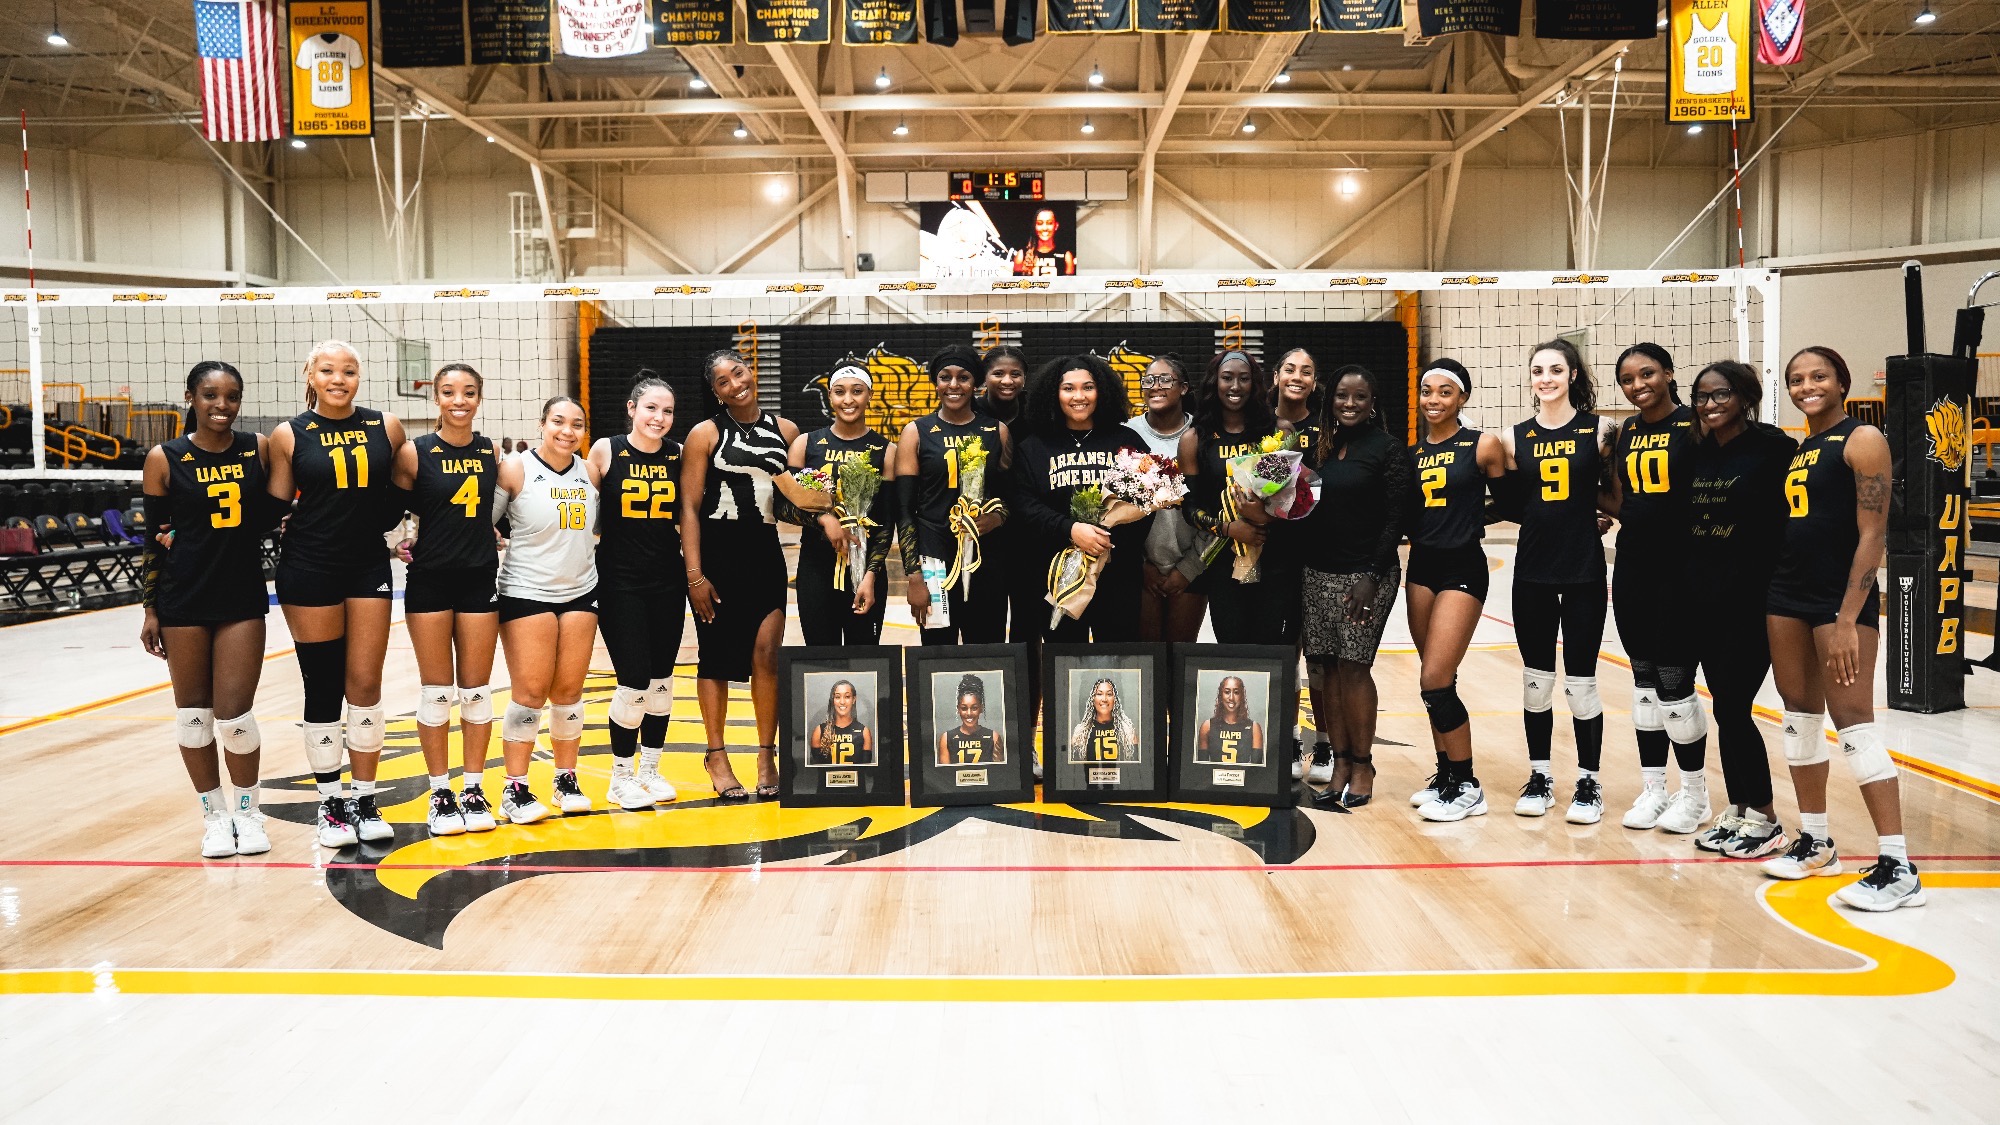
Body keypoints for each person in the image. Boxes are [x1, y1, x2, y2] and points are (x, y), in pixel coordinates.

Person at [1761, 346, 1921, 910]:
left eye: (1819, 376)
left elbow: (1872, 534)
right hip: (1786, 594)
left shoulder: (1863, 439)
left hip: (1838, 600)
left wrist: (1850, 617)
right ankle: (1816, 842)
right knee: (1799, 717)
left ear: (1842, 382)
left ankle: (1898, 864)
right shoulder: (1799, 448)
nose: (1808, 385)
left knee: (1854, 723)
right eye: (1797, 379)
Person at [265, 340, 407, 849]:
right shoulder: (288, 434)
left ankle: (365, 799)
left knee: (365, 683)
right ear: (310, 374)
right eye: (328, 370)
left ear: (359, 378)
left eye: (348, 371)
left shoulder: (386, 426)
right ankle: (330, 804)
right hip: (309, 566)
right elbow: (274, 507)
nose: (338, 378)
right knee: (322, 684)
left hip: (367, 562)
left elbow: (399, 496)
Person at [139, 361, 277, 857]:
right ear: (190, 397)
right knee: (193, 717)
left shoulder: (256, 448)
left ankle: (249, 813)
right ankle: (215, 817)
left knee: (234, 715)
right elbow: (154, 540)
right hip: (183, 598)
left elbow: (274, 510)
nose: (222, 405)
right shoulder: (164, 457)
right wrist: (151, 609)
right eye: (211, 395)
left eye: (232, 396)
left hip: (240, 595)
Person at [683, 349, 814, 800]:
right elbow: (689, 508)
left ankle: (765, 755)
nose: (734, 383)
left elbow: (795, 500)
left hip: (765, 553)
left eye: (738, 372)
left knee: (766, 653)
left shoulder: (787, 431)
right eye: (722, 381)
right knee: (715, 656)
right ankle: (716, 755)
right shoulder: (705, 434)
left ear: (751, 371)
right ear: (715, 393)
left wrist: (831, 506)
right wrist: (695, 575)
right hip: (717, 557)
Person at [1682, 360, 1798, 857]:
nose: (1710, 405)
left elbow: (1796, 519)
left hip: (1755, 597)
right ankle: (1738, 808)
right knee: (1724, 706)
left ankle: (1766, 817)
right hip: (1705, 596)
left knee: (1734, 704)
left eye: (1721, 395)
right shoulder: (1696, 452)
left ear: (1745, 397)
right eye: (1702, 397)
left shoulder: (1774, 449)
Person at [1500, 339, 1618, 823]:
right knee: (1535, 682)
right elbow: (1509, 503)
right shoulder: (1511, 437)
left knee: (1583, 683)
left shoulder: (1602, 429)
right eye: (1537, 371)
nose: (1545, 378)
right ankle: (1541, 776)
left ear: (1573, 375)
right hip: (1532, 570)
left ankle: (1589, 782)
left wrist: (1600, 517)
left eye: (1555, 369)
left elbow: (1615, 495)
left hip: (1585, 569)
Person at [391, 363, 502, 836]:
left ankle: (473, 790)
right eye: (450, 392)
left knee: (476, 693)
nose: (460, 400)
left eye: (469, 392)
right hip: (431, 581)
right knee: (437, 693)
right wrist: (392, 541)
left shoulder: (489, 449)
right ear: (435, 398)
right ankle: (440, 792)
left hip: (479, 579)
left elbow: (493, 507)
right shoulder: (414, 453)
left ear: (479, 398)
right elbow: (388, 511)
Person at [1300, 365, 1414, 810]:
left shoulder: (1387, 450)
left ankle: (1363, 764)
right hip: (1317, 573)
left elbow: (1395, 519)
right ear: (1330, 402)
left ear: (1373, 403)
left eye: (1359, 397)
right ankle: (1341, 763)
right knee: (1324, 668)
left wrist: (1370, 575)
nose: (1349, 404)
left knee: (1353, 667)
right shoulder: (1320, 450)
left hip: (1366, 576)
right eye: (1342, 396)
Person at [1605, 343, 1705, 834]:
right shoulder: (1627, 431)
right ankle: (1654, 789)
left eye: (1647, 374)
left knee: (1674, 679)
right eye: (1628, 379)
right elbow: (1626, 500)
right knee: (1643, 678)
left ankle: (1695, 794)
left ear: (1668, 372)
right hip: (1634, 565)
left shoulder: (1694, 425)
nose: (1638, 384)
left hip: (1681, 568)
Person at [1404, 359, 1508, 822]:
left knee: (1436, 677)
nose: (1434, 399)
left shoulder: (1481, 444)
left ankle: (1468, 786)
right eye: (1427, 391)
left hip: (1462, 566)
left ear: (1462, 398)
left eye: (1445, 392)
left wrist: (1472, 520)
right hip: (1421, 567)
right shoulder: (1411, 454)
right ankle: (1447, 774)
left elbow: (1513, 501)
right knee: (1435, 681)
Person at [491, 396, 599, 825]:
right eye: (558, 421)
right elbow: (485, 523)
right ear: (541, 424)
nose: (567, 431)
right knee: (530, 693)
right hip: (526, 591)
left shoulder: (589, 471)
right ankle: (514, 789)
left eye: (576, 424)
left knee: (569, 692)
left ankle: (565, 779)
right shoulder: (516, 468)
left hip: (581, 592)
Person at [586, 371, 686, 812]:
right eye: (651, 408)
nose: (659, 418)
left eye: (667, 411)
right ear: (631, 408)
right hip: (619, 581)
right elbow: (579, 510)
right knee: (634, 681)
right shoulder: (606, 450)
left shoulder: (679, 454)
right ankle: (620, 777)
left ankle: (650, 770)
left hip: (667, 578)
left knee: (663, 682)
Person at [1014, 353, 1148, 643]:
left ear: (1102, 391)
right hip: (1056, 578)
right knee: (1063, 663)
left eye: (1088, 387)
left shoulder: (1126, 441)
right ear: (1054, 394)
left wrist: (1106, 542)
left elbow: (1147, 502)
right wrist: (1070, 530)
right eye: (1068, 388)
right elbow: (1025, 505)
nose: (1079, 396)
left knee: (1118, 660)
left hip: (1117, 575)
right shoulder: (1034, 446)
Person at [895, 346, 1012, 645]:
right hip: (934, 558)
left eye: (963, 377)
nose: (954, 385)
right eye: (945, 377)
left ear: (976, 384)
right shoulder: (916, 431)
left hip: (986, 559)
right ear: (936, 383)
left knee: (988, 653)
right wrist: (914, 575)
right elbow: (905, 510)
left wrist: (996, 519)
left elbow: (1012, 497)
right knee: (937, 654)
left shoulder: (996, 430)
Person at [1180, 351, 1284, 647]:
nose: (1235, 386)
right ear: (1215, 382)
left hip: (1273, 558)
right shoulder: (1195, 439)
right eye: (1227, 378)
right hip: (1223, 563)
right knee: (1232, 647)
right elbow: (1189, 509)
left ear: (1255, 384)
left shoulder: (1274, 433)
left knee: (1272, 652)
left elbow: (1290, 500)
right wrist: (1229, 529)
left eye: (1244, 378)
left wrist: (1267, 517)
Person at [785, 364, 893, 646]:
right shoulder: (805, 444)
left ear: (869, 395)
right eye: (840, 392)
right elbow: (783, 508)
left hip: (866, 571)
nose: (848, 400)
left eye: (857, 392)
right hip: (816, 570)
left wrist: (870, 577)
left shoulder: (886, 450)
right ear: (830, 397)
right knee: (820, 659)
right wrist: (823, 519)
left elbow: (886, 522)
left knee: (866, 661)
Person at [1126, 355, 1205, 643]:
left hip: (1192, 566)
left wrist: (1189, 568)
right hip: (1142, 570)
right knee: (1147, 664)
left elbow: (1215, 508)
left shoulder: (1202, 434)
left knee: (1181, 658)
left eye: (1165, 380)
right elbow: (1113, 507)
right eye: (1148, 380)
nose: (1155, 386)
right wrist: (1138, 565)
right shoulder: (1127, 433)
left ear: (1183, 388)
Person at [1268, 347, 1321, 778]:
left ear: (1315, 381)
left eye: (1306, 371)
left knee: (1318, 650)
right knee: (1282, 649)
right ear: (1276, 376)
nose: (1297, 376)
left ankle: (1322, 743)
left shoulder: (1329, 427)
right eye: (1290, 369)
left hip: (1321, 550)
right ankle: (1283, 738)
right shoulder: (1261, 424)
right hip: (1273, 550)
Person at [979, 346, 1046, 648]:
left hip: (1031, 536)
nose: (1007, 380)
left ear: (1025, 378)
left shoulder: (1039, 414)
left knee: (1029, 626)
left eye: (1015, 374)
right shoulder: (971, 413)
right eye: (998, 373)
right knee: (988, 624)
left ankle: (1030, 696)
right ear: (985, 378)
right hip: (985, 536)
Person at [938, 673, 1004, 765]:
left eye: (974, 708)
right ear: (958, 709)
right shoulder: (946, 738)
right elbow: (944, 776)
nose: (969, 714)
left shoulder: (993, 737)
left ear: (981, 708)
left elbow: (999, 773)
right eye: (964, 708)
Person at [1196, 676, 1264, 766]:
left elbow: (1257, 772)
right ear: (1221, 695)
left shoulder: (1254, 728)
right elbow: (1201, 770)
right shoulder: (1207, 726)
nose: (1231, 698)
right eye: (1227, 692)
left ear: (1242, 696)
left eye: (1236, 692)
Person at [1070, 677, 1139, 763]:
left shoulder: (1128, 732)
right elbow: (1075, 770)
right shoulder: (1080, 734)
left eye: (1109, 694)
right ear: (1093, 699)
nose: (1104, 699)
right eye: (1099, 694)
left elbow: (1135, 769)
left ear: (1115, 700)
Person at [808, 679, 874, 766]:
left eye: (847, 697)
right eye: (837, 697)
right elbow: (816, 770)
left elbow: (866, 771)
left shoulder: (864, 732)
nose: (842, 702)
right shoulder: (819, 731)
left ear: (854, 699)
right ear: (833, 700)